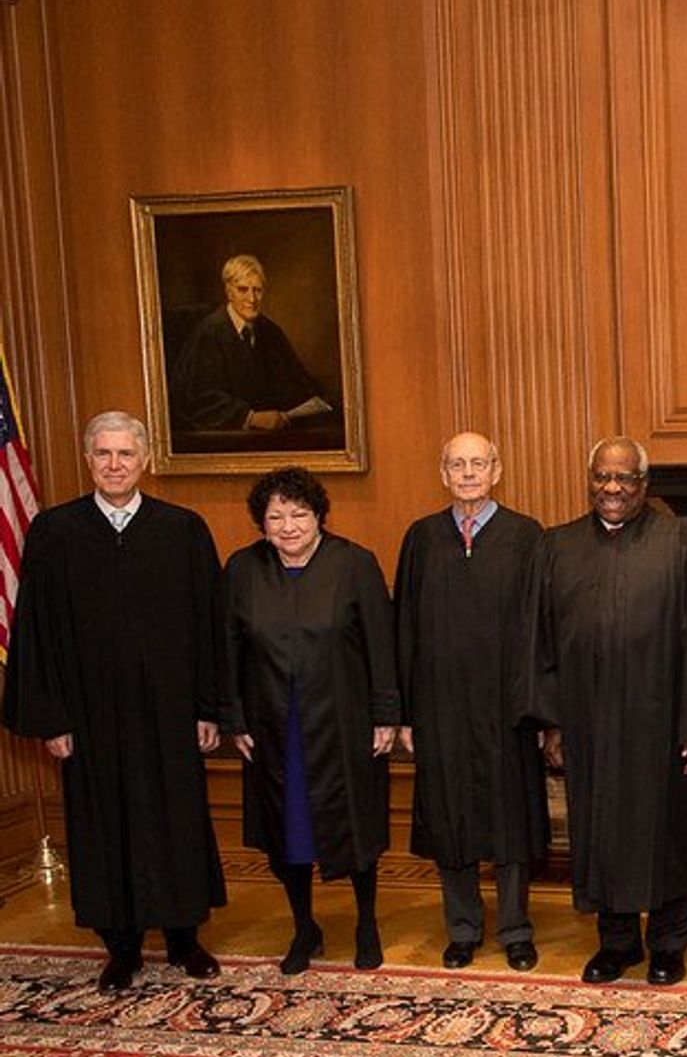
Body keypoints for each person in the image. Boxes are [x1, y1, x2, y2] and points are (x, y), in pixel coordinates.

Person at [1, 411, 227, 992]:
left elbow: (210, 626)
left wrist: (208, 707)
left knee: (175, 819)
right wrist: (52, 718)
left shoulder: (182, 530)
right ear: (88, 460)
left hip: (169, 715)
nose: (115, 464)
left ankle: (184, 938)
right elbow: (37, 632)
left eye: (125, 454)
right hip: (91, 719)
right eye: (103, 454)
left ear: (145, 460)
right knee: (104, 825)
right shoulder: (55, 533)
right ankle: (121, 948)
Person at [524, 436, 687, 986]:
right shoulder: (557, 547)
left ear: (644, 484)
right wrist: (552, 722)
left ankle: (668, 945)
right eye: (602, 477)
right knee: (602, 832)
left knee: (671, 834)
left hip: (665, 722)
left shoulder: (683, 542)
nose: (612, 488)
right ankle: (616, 943)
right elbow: (540, 641)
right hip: (589, 723)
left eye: (624, 478)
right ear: (590, 480)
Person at [222, 466, 398, 973]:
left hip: (344, 723)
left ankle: (367, 924)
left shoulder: (354, 564)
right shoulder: (243, 569)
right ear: (262, 523)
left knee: (356, 828)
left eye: (298, 514)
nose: (288, 526)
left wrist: (386, 714)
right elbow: (227, 649)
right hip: (273, 728)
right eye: (276, 517)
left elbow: (381, 646)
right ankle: (305, 927)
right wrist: (235, 718)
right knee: (287, 832)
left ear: (319, 515)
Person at [394, 432, 548, 973]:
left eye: (477, 463)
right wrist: (405, 712)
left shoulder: (526, 536)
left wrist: (537, 708)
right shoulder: (421, 538)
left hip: (507, 709)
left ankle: (515, 929)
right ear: (443, 473)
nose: (467, 473)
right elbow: (404, 627)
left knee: (511, 821)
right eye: (457, 464)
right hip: (440, 708)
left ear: (496, 470)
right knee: (450, 817)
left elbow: (540, 628)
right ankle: (462, 928)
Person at [170, 255, 335, 435]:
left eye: (257, 290)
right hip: (226, 438)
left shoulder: (270, 331)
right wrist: (250, 418)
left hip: (272, 434)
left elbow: (295, 382)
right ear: (229, 292)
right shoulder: (210, 333)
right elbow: (197, 397)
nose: (252, 299)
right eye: (243, 290)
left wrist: (317, 398)